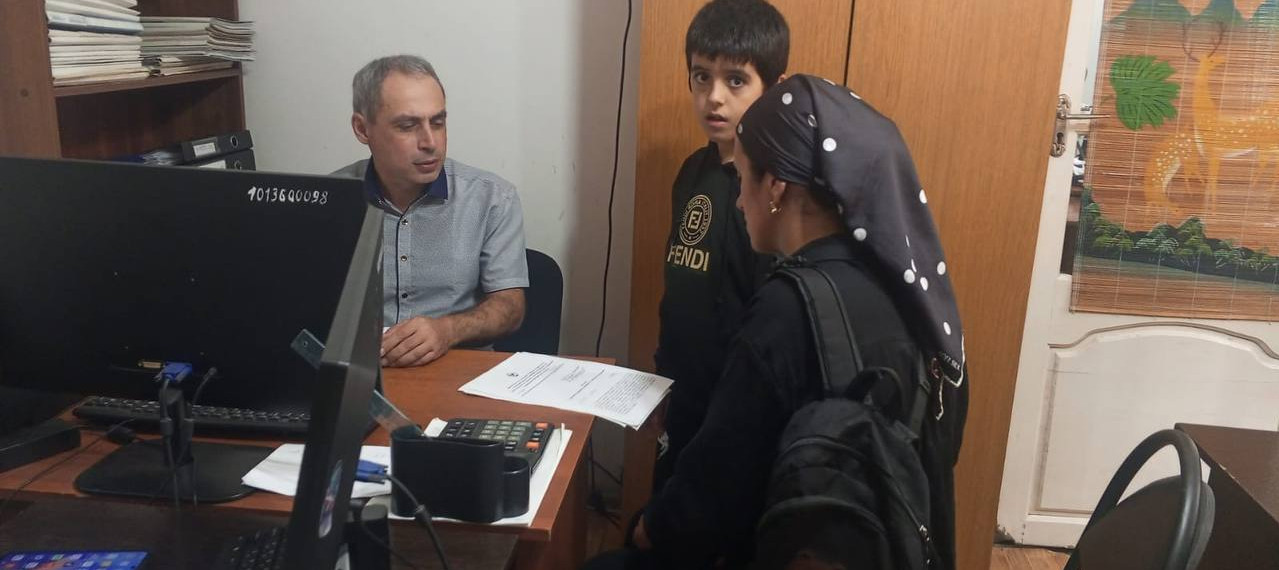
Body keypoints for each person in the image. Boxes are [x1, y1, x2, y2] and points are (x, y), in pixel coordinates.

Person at [594, 75, 970, 569]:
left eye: (743, 178)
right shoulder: (911, 295)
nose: (738, 201)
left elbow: (711, 496)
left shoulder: (787, 309)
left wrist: (645, 528)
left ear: (774, 186)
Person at [653, 0, 789, 491]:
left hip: (736, 410)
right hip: (681, 392)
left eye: (735, 80)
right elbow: (680, 286)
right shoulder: (693, 171)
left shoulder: (776, 190)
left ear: (772, 88)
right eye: (701, 77)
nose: (714, 98)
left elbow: (767, 322)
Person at [334, 55, 528, 368]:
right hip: (360, 371)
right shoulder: (328, 200)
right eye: (407, 126)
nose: (430, 142)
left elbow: (510, 307)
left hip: (454, 370)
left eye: (438, 123)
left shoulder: (491, 197)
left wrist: (447, 330)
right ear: (362, 129)